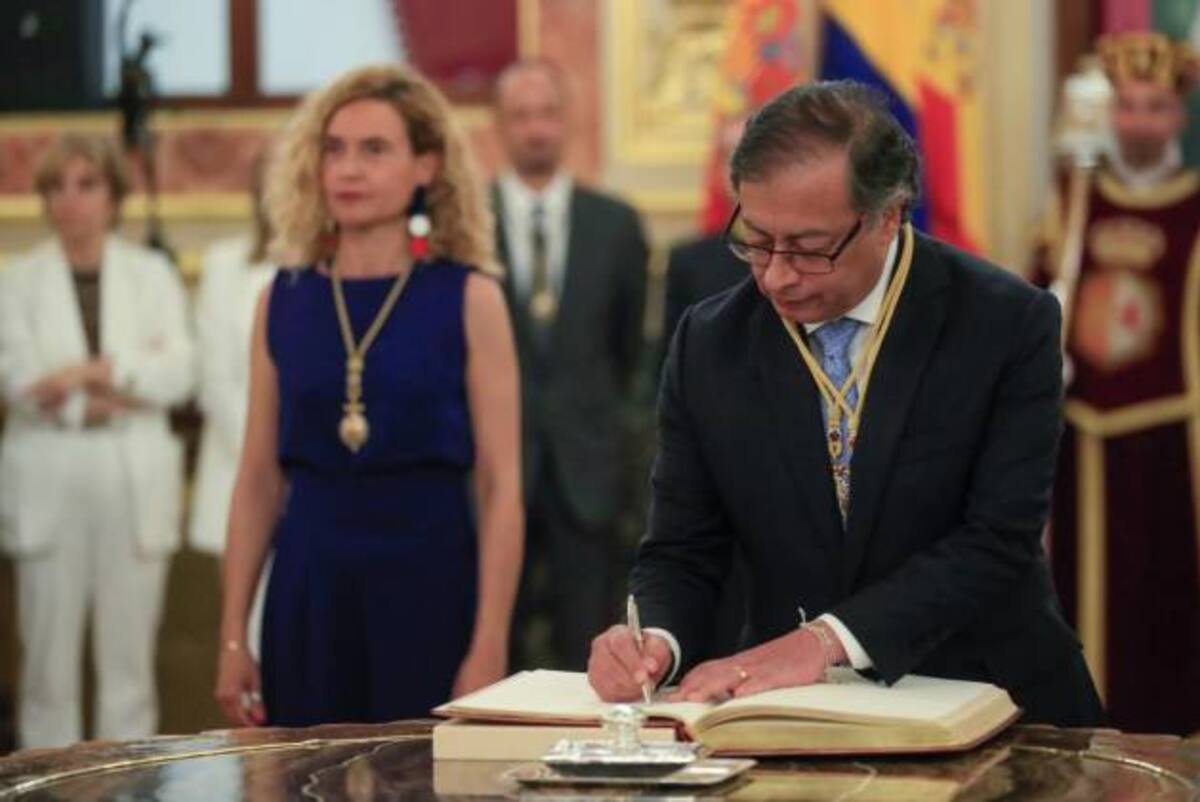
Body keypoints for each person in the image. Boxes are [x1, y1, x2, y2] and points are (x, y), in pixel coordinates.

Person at [588, 80, 1104, 728]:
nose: (776, 276)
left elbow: (996, 541)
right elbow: (684, 548)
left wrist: (822, 642)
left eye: (809, 249)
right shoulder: (711, 341)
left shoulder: (1004, 322)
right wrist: (655, 639)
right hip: (786, 718)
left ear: (888, 217)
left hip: (988, 696)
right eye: (756, 240)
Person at [214, 64, 522, 728]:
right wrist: (233, 635)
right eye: (335, 149)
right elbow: (258, 478)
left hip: (429, 582)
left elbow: (501, 486)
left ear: (425, 166)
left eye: (374, 149)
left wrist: (490, 640)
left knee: (421, 772)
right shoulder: (282, 299)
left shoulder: (470, 298)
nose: (349, 169)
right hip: (309, 586)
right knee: (302, 772)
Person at [0, 134, 195, 747]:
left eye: (87, 184)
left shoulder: (152, 274)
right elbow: (19, 381)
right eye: (57, 187)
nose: (71, 200)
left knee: (128, 668)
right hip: (49, 473)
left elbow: (178, 374)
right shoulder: (17, 281)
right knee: (46, 669)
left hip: (132, 474)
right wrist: (99, 391)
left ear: (113, 196)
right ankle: (45, 785)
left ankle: (127, 785)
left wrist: (96, 373)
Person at [1033, 32, 1200, 735]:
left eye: (1154, 107)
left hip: (1175, 435)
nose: (1139, 122)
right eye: (1127, 106)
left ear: (1179, 116)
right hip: (1084, 433)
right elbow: (1038, 293)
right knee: (1078, 590)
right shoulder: (1073, 199)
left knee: (1167, 595)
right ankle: (1086, 729)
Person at [491, 60, 649, 671]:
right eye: (521, 115)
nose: (536, 129)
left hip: (588, 472)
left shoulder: (615, 224)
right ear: (499, 125)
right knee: (496, 646)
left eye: (547, 113)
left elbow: (628, 350)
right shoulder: (464, 221)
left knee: (586, 647)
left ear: (568, 121)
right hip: (496, 471)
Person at [190, 154, 277, 655]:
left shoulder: (339, 264)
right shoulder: (225, 265)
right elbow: (215, 378)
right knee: (249, 645)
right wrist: (269, 458)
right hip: (239, 476)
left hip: (322, 488)